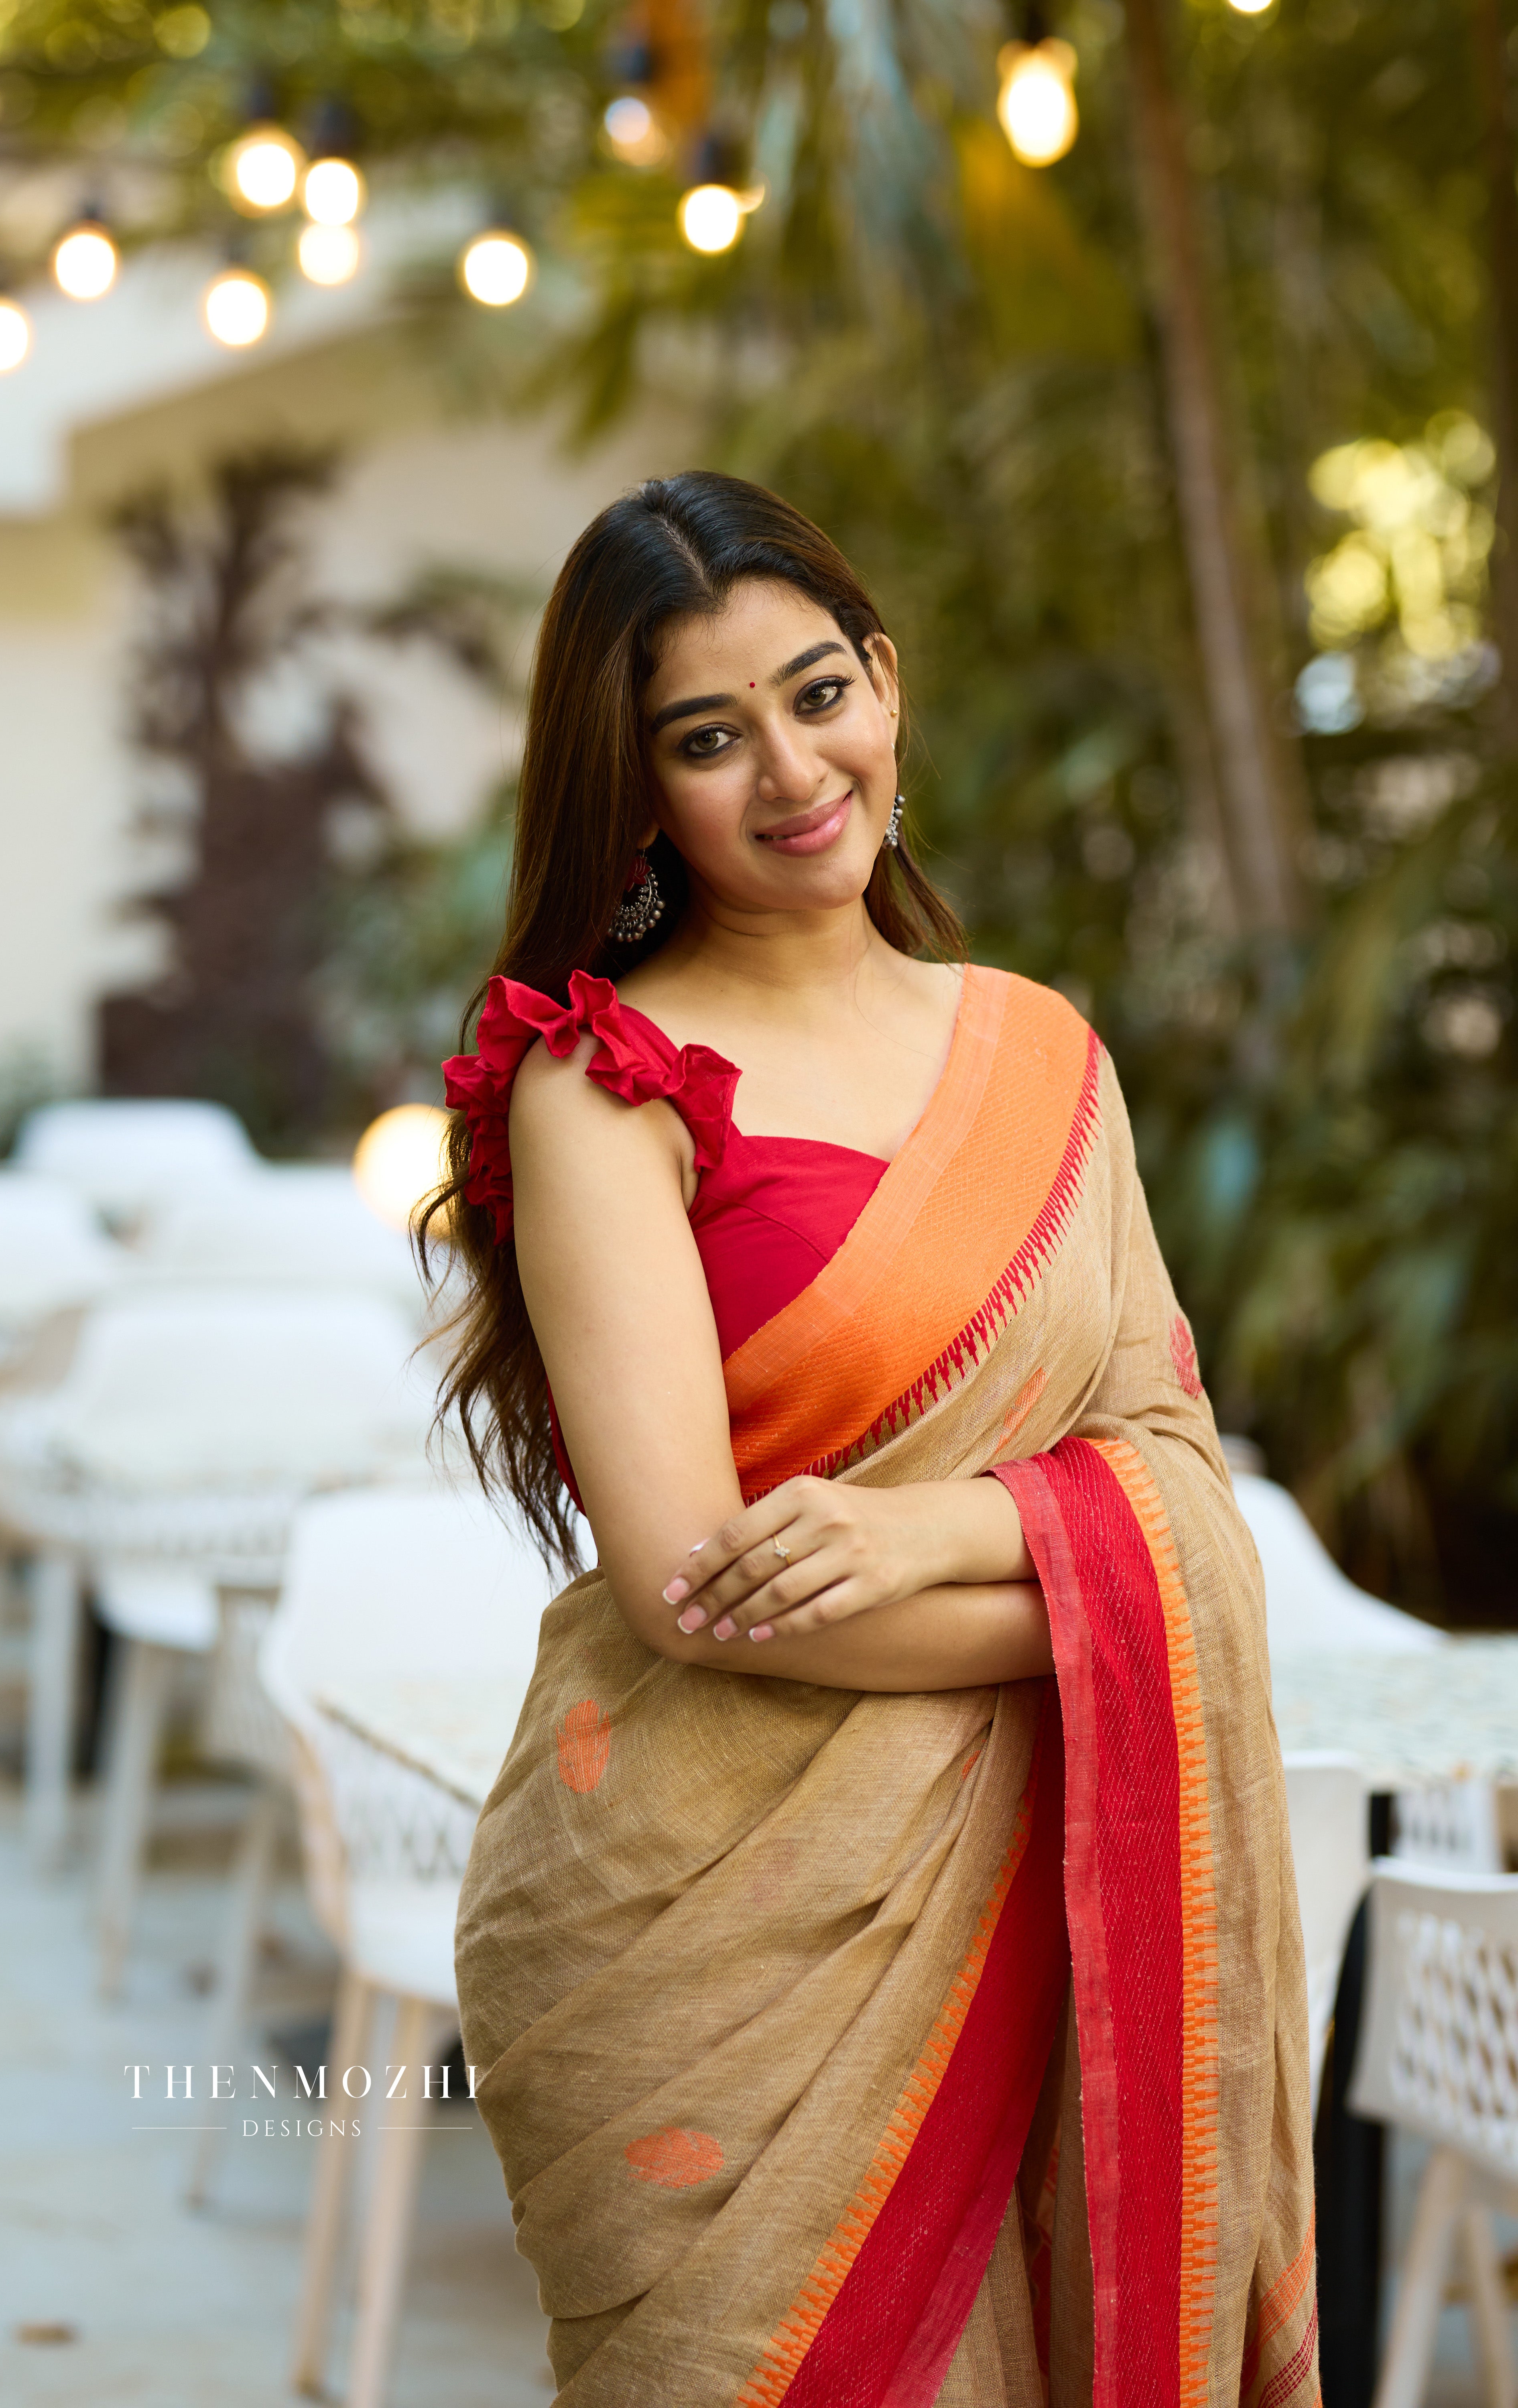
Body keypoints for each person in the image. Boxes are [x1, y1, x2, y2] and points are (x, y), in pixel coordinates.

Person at [433, 471, 1317, 2406]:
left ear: (888, 686)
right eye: (706, 737)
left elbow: (1176, 1468)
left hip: (1050, 1891)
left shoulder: (1044, 1059)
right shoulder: (603, 1090)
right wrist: (1100, 1618)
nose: (789, 772)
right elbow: (695, 1591)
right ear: (634, 787)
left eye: (817, 694)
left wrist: (941, 1530)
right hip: (716, 1937)